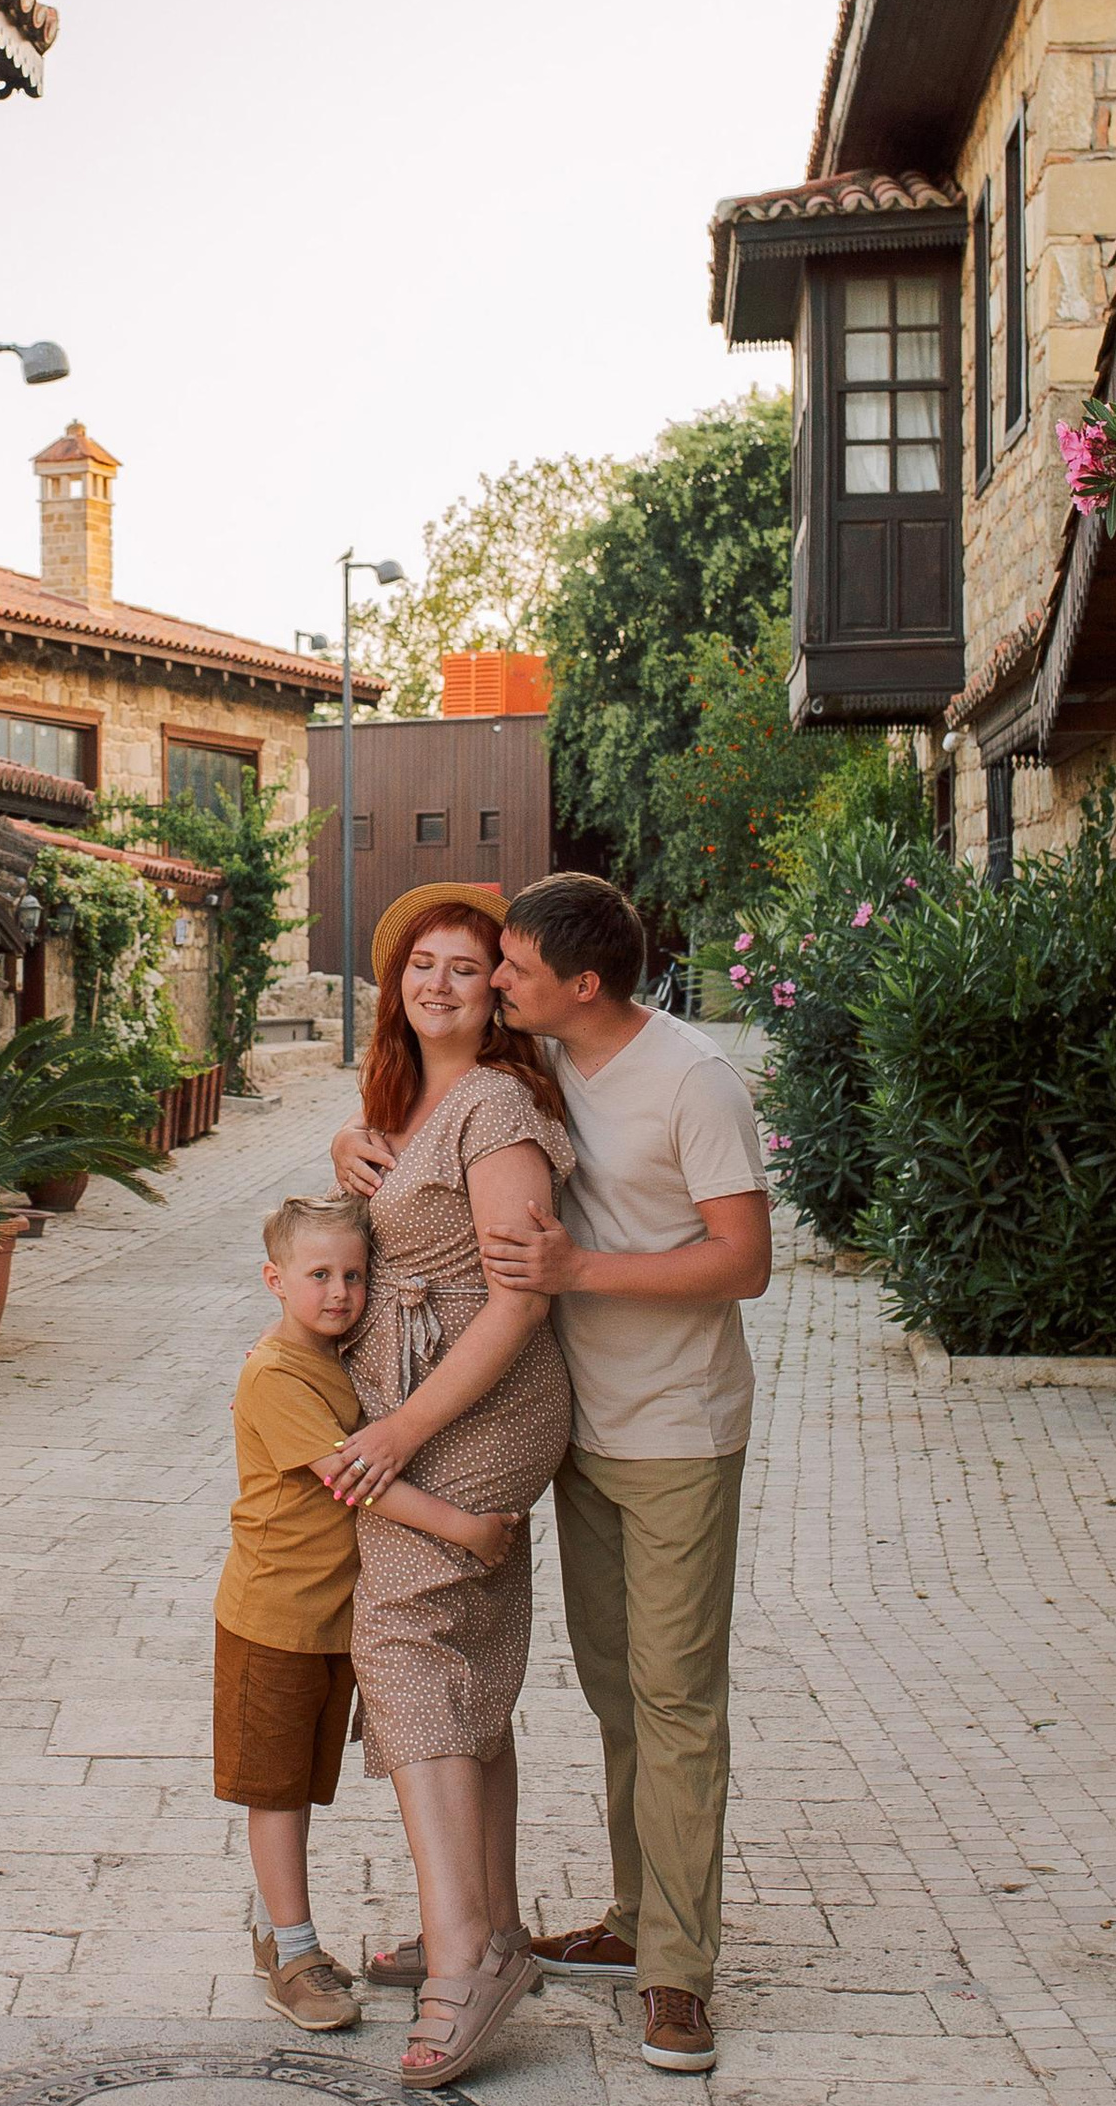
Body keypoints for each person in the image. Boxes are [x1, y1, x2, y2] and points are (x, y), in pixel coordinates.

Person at [333, 871, 771, 2078]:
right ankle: (634, 1918)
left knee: (676, 1700)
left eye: (508, 965)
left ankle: (676, 1974)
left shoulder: (692, 1080)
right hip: (579, 1428)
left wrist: (578, 1274)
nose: (491, 979)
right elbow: (452, 1121)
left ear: (578, 985)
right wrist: (354, 1139)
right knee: (620, 1694)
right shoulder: (551, 1060)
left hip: (676, 1426)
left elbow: (745, 1263)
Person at [318, 887, 576, 2092]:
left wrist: (401, 1429)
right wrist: (344, 1156)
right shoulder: (410, 1099)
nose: (438, 983)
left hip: (483, 1399)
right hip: (421, 1397)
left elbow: (520, 1297)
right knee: (462, 1651)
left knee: (403, 1634)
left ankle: (464, 1959)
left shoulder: (497, 1105)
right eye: (421, 963)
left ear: (496, 992)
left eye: (466, 968)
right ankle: (492, 1914)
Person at [213, 1193, 524, 2036]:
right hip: (272, 1617)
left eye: (355, 1275)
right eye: (319, 1276)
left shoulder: (337, 1354)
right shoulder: (275, 1373)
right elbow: (356, 1476)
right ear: (275, 1281)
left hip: (332, 1621)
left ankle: (299, 1932)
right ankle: (293, 1946)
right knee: (278, 1793)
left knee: (310, 1782)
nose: (341, 1292)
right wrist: (464, 1528)